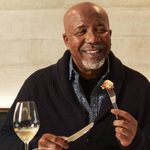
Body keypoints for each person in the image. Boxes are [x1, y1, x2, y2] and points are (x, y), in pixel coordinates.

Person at [0, 2, 150, 150]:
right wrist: (36, 145)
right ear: (66, 40)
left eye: (100, 30)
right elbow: (5, 138)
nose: (92, 39)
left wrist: (136, 141)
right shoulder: (38, 84)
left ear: (110, 35)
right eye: (81, 31)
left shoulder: (139, 86)